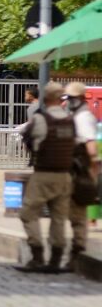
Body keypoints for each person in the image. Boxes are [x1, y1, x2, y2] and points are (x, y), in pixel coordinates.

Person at [17, 82, 75, 272]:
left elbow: (27, 137)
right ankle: (56, 260)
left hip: (43, 173)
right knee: (59, 218)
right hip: (65, 175)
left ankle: (37, 255)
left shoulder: (41, 119)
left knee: (28, 212)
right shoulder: (70, 120)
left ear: (45, 98)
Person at [64, 82, 97, 270]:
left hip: (80, 171)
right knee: (72, 213)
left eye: (72, 98)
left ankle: (77, 253)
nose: (69, 101)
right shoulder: (76, 115)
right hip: (73, 170)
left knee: (77, 215)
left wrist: (91, 173)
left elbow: (91, 149)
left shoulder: (83, 117)